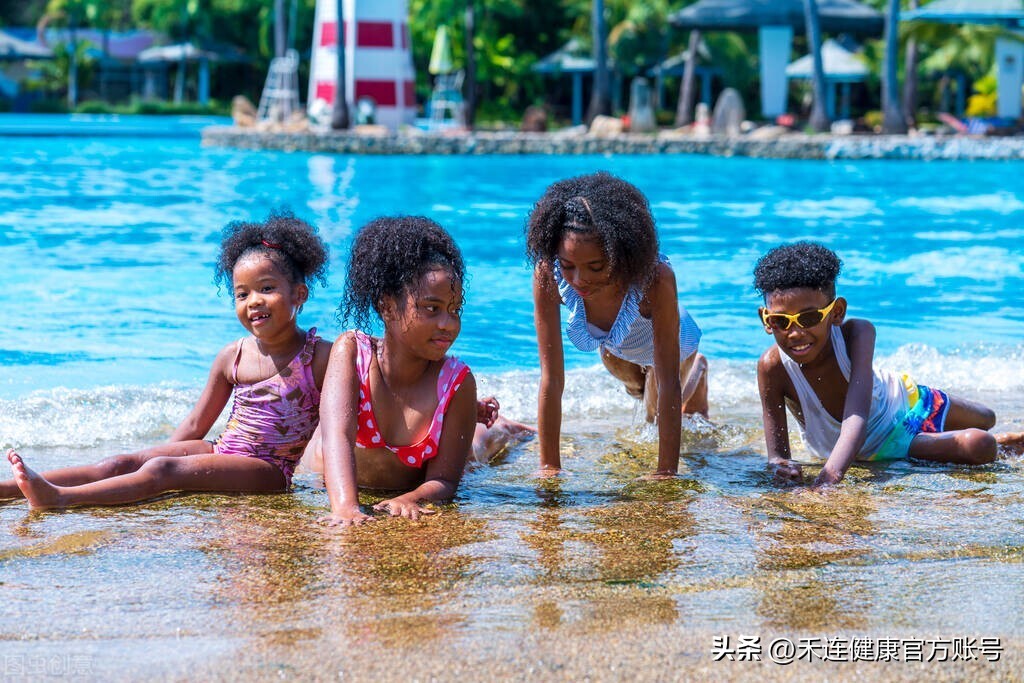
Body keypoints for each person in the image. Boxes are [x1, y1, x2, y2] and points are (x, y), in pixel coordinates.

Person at [3, 211, 333, 509]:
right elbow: (195, 425)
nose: (253, 301)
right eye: (242, 294)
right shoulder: (232, 356)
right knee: (121, 463)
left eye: (266, 288)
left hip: (268, 470)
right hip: (222, 451)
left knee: (163, 470)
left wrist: (164, 471)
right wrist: (149, 463)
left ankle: (59, 497)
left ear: (299, 294)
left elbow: (340, 425)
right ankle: (8, 489)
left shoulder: (318, 357)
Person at [310, 216, 532, 527]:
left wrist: (412, 497)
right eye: (432, 308)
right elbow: (337, 438)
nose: (447, 324)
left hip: (445, 428)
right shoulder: (352, 353)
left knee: (478, 448)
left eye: (454, 310)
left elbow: (445, 480)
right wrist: (345, 506)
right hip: (338, 468)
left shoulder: (456, 382)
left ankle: (500, 426)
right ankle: (474, 416)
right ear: (387, 306)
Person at [753, 241, 1020, 487]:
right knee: (980, 444)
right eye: (780, 321)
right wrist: (781, 468)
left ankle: (953, 436)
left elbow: (856, 418)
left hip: (904, 402)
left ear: (836, 312)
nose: (795, 333)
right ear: (766, 320)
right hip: (884, 446)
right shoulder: (772, 367)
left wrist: (828, 478)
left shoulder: (857, 333)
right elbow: (777, 456)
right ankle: (979, 443)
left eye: (809, 318)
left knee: (987, 418)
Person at [526, 172, 708, 477]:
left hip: (677, 339)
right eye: (568, 265)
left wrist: (666, 472)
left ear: (621, 255)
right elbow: (552, 379)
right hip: (619, 347)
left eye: (595, 267)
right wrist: (549, 467)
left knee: (653, 414)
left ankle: (697, 368)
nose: (579, 280)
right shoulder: (548, 276)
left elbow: (668, 382)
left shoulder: (654, 280)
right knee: (634, 386)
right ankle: (659, 386)